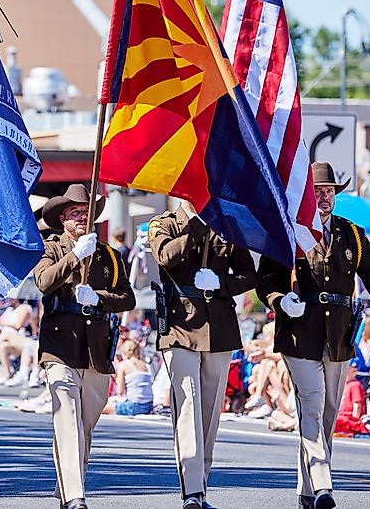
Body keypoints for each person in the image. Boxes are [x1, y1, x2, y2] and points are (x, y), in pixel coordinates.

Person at [257, 162, 370, 509]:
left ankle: (307, 492)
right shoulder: (290, 232)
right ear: (305, 194)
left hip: (338, 335)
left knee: (328, 413)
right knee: (311, 404)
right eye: (317, 191)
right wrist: (280, 300)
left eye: (328, 191)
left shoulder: (351, 234)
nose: (323, 197)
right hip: (300, 331)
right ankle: (324, 486)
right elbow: (267, 281)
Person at [149, 199, 257, 509]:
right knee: (187, 406)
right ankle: (192, 491)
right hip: (179, 323)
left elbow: (249, 275)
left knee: (209, 414)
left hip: (219, 327)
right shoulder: (165, 223)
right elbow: (166, 256)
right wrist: (198, 223)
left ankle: (201, 484)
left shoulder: (228, 224)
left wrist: (221, 283)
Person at [34, 184, 135, 509]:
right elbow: (45, 282)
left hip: (96, 348)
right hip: (59, 345)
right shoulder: (50, 248)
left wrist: (99, 299)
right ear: (62, 219)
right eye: (75, 213)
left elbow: (127, 298)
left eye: (85, 212)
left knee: (84, 425)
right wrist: (74, 256)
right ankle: (76, 495)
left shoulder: (108, 254)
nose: (81, 218)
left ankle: (67, 486)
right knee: (67, 416)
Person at [103, 339, 154, 416]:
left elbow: (120, 392)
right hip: (149, 405)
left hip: (134, 406)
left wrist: (116, 379)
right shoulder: (145, 365)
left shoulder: (123, 365)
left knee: (102, 407)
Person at [334, 359, 367, 435]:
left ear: (354, 370)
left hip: (349, 419)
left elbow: (357, 405)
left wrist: (355, 422)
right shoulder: (345, 385)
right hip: (342, 416)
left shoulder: (355, 385)